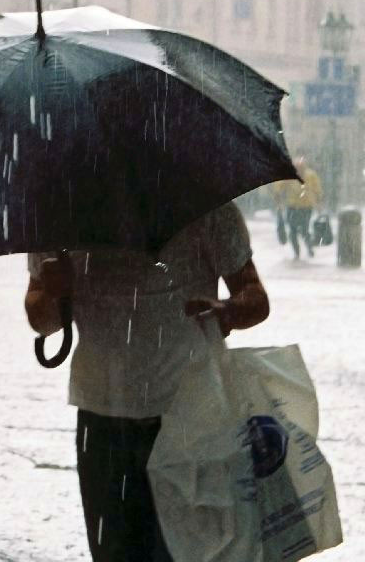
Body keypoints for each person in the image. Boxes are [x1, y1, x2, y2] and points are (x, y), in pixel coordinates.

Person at [24, 202, 271, 561]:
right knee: (115, 553)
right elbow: (41, 319)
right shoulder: (59, 213)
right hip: (103, 418)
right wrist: (51, 292)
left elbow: (255, 296)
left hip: (191, 415)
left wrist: (229, 311)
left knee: (189, 552)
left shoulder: (207, 205)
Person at [274, 156, 322, 260]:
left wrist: (318, 203)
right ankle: (297, 252)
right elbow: (278, 188)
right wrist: (279, 201)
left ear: (305, 167)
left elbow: (317, 190)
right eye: (297, 167)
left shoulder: (311, 175)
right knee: (293, 231)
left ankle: (309, 248)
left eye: (301, 167)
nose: (300, 169)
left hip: (306, 207)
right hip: (292, 207)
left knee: (304, 230)